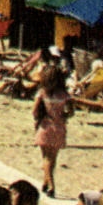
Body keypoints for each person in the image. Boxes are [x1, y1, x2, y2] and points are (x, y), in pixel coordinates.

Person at [33, 65, 72, 197]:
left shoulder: (42, 93)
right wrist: (63, 116)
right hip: (59, 127)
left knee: (45, 157)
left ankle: (51, 185)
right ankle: (45, 182)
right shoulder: (65, 95)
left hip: (46, 126)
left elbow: (34, 111)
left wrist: (39, 118)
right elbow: (71, 111)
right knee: (53, 158)